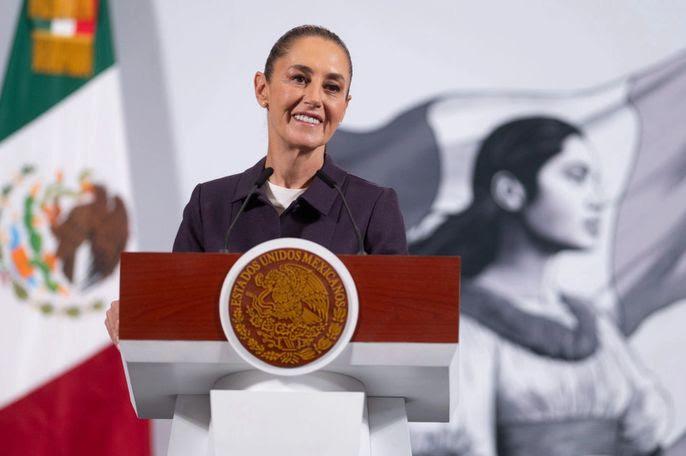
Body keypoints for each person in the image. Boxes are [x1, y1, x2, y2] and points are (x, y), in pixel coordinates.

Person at [105, 25, 407, 344]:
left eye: (332, 87)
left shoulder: (372, 208)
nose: (314, 98)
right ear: (262, 89)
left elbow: (401, 324)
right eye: (299, 78)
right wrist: (140, 323)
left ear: (344, 106)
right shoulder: (210, 205)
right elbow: (178, 318)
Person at [410, 117, 670, 455]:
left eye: (595, 180)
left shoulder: (593, 325)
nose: (596, 199)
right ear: (510, 191)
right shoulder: (454, 324)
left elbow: (644, 433)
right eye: (576, 176)